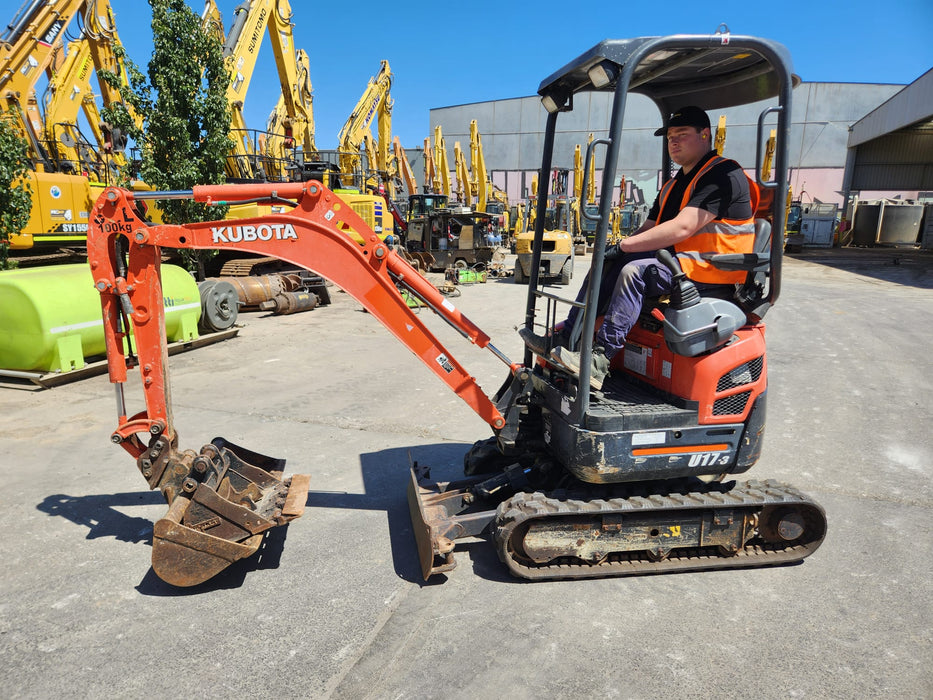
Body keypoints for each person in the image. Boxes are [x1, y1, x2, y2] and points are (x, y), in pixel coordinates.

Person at [520, 106, 757, 388]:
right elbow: (651, 226)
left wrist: (625, 246)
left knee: (635, 271)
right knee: (608, 262)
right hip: (682, 262)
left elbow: (683, 226)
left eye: (682, 135)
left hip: (713, 268)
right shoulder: (674, 184)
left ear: (706, 135)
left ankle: (599, 360)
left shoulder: (723, 174)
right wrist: (616, 248)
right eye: (670, 137)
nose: (674, 142)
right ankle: (568, 335)